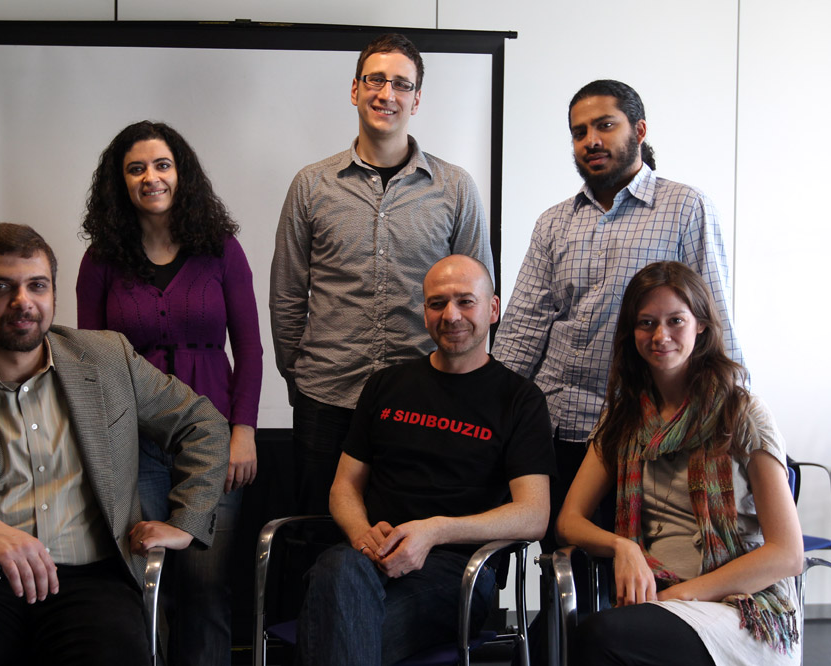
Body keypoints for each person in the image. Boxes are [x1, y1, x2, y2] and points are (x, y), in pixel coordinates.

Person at [0, 223, 229, 665]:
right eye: (1, 287)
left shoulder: (108, 359)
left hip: (93, 582)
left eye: (37, 285)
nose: (22, 302)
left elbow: (202, 423)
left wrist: (187, 519)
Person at [492, 79, 744, 551]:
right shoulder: (554, 222)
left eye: (605, 125)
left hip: (642, 433)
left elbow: (715, 321)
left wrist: (736, 416)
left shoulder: (684, 208)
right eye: (579, 131)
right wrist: (486, 412)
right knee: (562, 565)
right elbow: (523, 327)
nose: (591, 140)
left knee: (637, 569)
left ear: (639, 130)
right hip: (555, 428)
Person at [270, 33, 493, 515]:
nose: (386, 94)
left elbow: (477, 299)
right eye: (375, 80)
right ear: (355, 89)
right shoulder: (311, 185)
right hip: (327, 398)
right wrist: (300, 375)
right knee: (316, 533)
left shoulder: (455, 188)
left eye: (401, 84)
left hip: (424, 402)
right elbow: (287, 295)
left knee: (413, 536)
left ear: (417, 98)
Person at [295, 255, 554, 665]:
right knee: (341, 576)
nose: (451, 315)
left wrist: (433, 531)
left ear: (493, 309)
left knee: (335, 625)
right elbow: (344, 486)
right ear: (425, 312)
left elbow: (533, 514)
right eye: (437, 303)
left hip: (460, 575)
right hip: (366, 560)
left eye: (465, 301)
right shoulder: (385, 385)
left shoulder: (520, 400)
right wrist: (362, 535)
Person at [76, 120, 262, 666]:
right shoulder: (101, 260)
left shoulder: (222, 251)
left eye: (162, 165)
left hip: (214, 445)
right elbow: (90, 362)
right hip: (134, 447)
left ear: (182, 174)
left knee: (206, 586)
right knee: (142, 583)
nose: (150, 178)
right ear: (120, 183)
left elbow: (250, 349)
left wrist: (243, 431)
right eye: (136, 169)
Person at [556, 261, 801, 666]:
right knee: (560, 639)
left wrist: (683, 595)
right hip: (660, 602)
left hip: (740, 609)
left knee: (600, 638)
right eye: (646, 323)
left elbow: (786, 553)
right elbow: (569, 520)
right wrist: (623, 546)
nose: (660, 336)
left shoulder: (741, 412)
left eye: (675, 321)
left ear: (701, 325)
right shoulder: (624, 419)